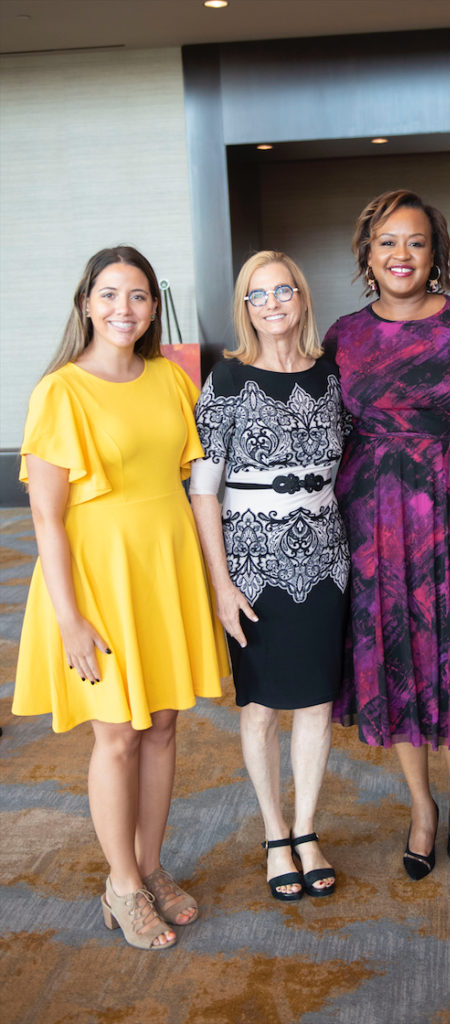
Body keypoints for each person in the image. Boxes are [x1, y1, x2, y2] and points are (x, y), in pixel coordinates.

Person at [12, 246, 229, 950]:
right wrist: (69, 617)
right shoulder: (60, 391)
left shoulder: (170, 378)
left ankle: (149, 864)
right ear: (85, 303)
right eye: (109, 295)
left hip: (162, 570)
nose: (123, 309)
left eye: (137, 296)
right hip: (98, 580)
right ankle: (122, 884)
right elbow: (46, 515)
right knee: (117, 735)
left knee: (164, 726)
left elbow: (193, 476)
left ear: (151, 307)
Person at [324, 189, 450, 881]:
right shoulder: (343, 336)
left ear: (435, 254)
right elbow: (327, 432)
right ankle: (421, 806)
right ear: (366, 255)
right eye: (387, 243)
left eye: (415, 242)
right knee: (397, 661)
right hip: (374, 523)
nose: (400, 255)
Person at [190, 251, 349, 902]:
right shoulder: (225, 381)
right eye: (259, 295)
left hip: (324, 561)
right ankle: (274, 833)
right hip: (252, 566)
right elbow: (203, 491)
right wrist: (220, 584)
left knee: (315, 703)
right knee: (258, 708)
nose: (274, 303)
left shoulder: (333, 375)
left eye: (284, 290)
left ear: (302, 298)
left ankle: (307, 828)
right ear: (245, 308)